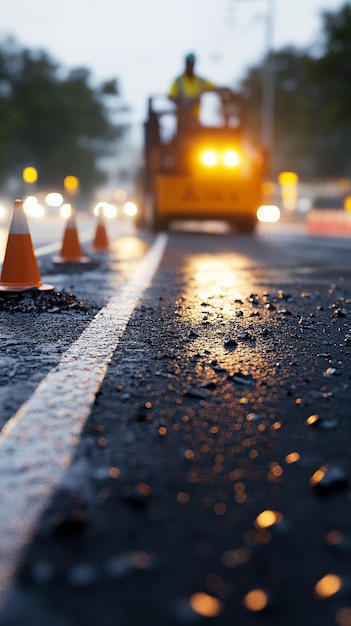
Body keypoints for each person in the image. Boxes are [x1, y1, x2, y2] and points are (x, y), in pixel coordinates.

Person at [168, 52, 217, 127]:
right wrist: (183, 103)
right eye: (188, 63)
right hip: (182, 123)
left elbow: (216, 88)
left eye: (192, 64)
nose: (190, 66)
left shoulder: (200, 81)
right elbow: (170, 96)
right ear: (185, 64)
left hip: (195, 120)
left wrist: (226, 90)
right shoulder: (178, 81)